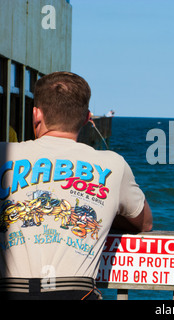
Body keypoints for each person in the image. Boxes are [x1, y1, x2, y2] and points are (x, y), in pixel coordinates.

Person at [0, 72, 153, 300]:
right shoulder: (113, 165)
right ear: (87, 118)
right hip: (75, 293)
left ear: (36, 114)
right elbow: (145, 222)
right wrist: (106, 213)